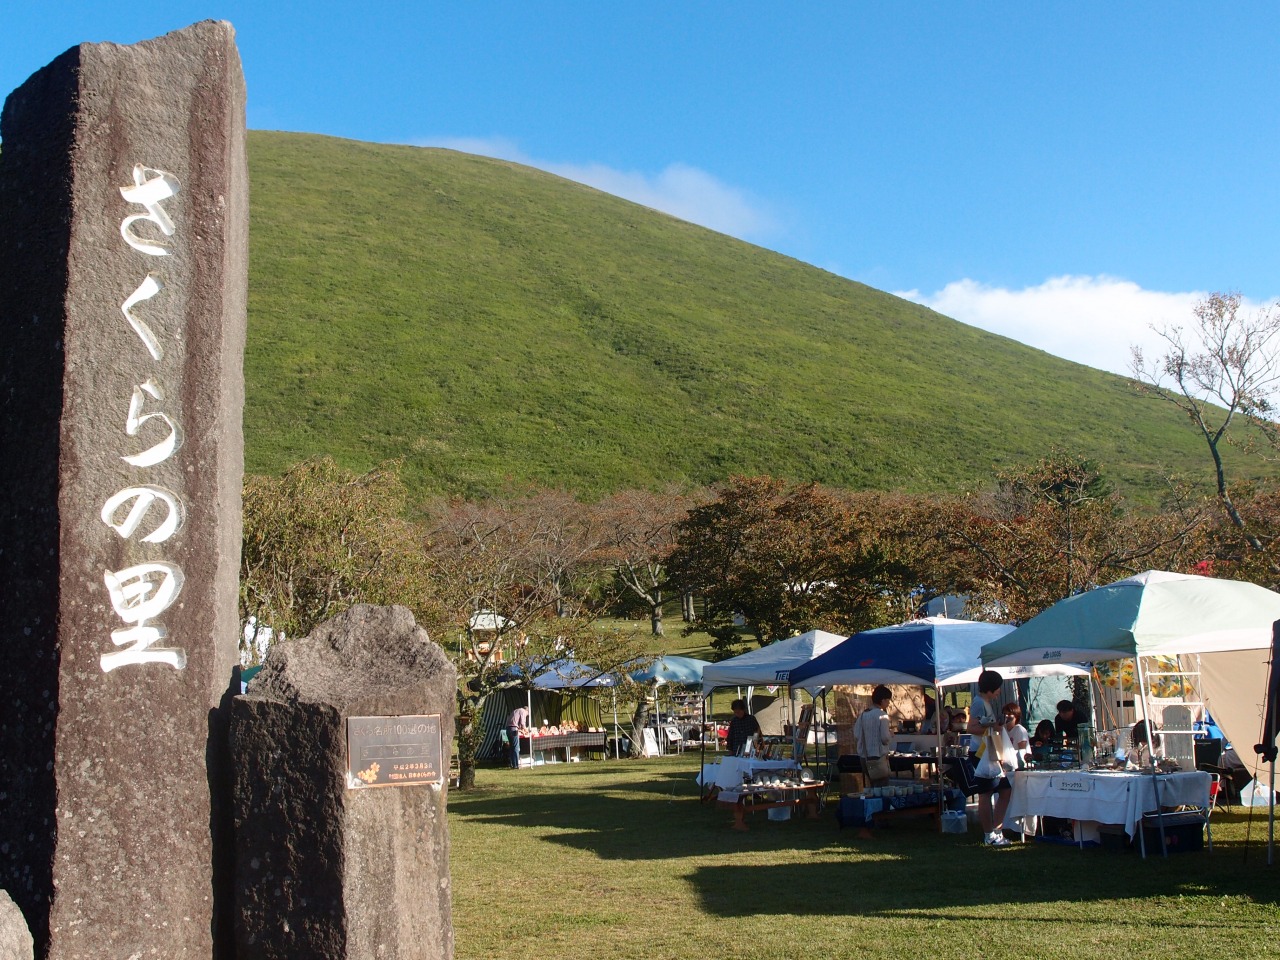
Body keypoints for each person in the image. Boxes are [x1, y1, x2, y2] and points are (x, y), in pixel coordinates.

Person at [968, 670, 1013, 846]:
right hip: (981, 753)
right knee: (985, 793)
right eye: (997, 688)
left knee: (1005, 791)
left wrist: (996, 727)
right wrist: (994, 727)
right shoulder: (979, 703)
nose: (999, 692)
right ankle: (989, 835)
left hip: (990, 752)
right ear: (990, 688)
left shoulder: (985, 702)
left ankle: (996, 831)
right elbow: (971, 728)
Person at [854, 685, 894, 787]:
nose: (889, 703)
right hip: (878, 757)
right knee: (882, 788)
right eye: (888, 700)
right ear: (882, 700)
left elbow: (856, 734)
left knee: (872, 787)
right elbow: (885, 738)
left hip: (864, 756)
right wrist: (890, 734)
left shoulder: (863, 714)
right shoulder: (882, 715)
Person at [1003, 703, 1031, 767]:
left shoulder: (1020, 730)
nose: (1006, 716)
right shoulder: (1003, 729)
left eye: (1009, 714)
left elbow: (1022, 751)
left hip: (1020, 765)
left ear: (1016, 716)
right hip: (1008, 764)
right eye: (1005, 714)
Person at [506, 703, 530, 769]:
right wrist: (526, 730)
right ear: (527, 711)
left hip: (508, 729)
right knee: (516, 747)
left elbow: (515, 723)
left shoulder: (516, 711)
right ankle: (516, 765)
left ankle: (511, 764)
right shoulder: (523, 711)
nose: (527, 715)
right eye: (527, 714)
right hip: (514, 729)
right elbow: (522, 723)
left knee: (511, 747)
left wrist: (521, 730)